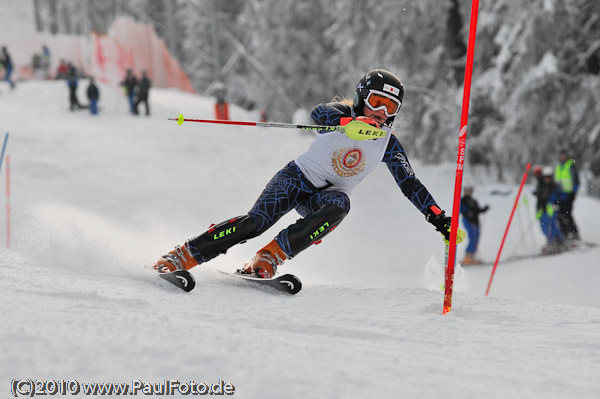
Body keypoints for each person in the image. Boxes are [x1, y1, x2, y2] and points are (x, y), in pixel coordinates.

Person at [153, 69, 454, 279]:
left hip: (323, 199)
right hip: (296, 180)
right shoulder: (341, 114)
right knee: (255, 222)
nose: (381, 113)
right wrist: (347, 121)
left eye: (391, 108)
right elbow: (317, 113)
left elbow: (410, 183)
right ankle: (183, 254)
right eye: (376, 102)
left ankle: (270, 256)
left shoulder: (387, 143)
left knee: (341, 204)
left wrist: (436, 216)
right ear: (362, 98)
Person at [533, 166, 566, 255]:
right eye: (546, 177)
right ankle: (552, 241)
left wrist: (555, 203)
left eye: (549, 177)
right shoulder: (542, 185)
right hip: (542, 209)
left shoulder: (555, 186)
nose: (547, 179)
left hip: (552, 209)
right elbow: (540, 197)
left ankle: (557, 241)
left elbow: (561, 196)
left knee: (551, 224)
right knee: (543, 225)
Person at [459, 186, 489, 265]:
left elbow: (477, 210)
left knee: (476, 237)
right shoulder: (463, 200)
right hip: (468, 221)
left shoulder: (473, 201)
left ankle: (472, 256)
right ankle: (467, 257)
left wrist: (484, 209)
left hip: (475, 221)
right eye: (467, 190)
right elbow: (461, 209)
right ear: (465, 191)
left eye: (469, 190)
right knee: (472, 237)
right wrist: (468, 214)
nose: (468, 192)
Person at [554, 149, 580, 240]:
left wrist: (574, 191)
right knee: (559, 214)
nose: (563, 157)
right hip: (559, 194)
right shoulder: (558, 166)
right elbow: (556, 180)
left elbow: (576, 180)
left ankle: (574, 233)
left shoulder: (570, 165)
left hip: (569, 194)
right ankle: (564, 233)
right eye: (561, 155)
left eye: (564, 155)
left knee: (567, 214)